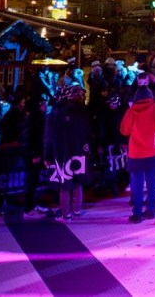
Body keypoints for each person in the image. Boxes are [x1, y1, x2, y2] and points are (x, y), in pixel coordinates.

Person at [120, 86, 155, 224]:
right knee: (152, 182)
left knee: (137, 184)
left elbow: (124, 130)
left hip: (136, 153)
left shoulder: (132, 111)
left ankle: (137, 214)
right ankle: (151, 211)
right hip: (153, 151)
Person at [44, 84, 91, 220]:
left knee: (65, 183)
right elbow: (86, 132)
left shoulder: (55, 112)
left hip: (61, 152)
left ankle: (66, 212)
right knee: (77, 181)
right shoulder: (81, 111)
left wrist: (47, 155)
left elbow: (48, 136)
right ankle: (76, 209)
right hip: (79, 151)